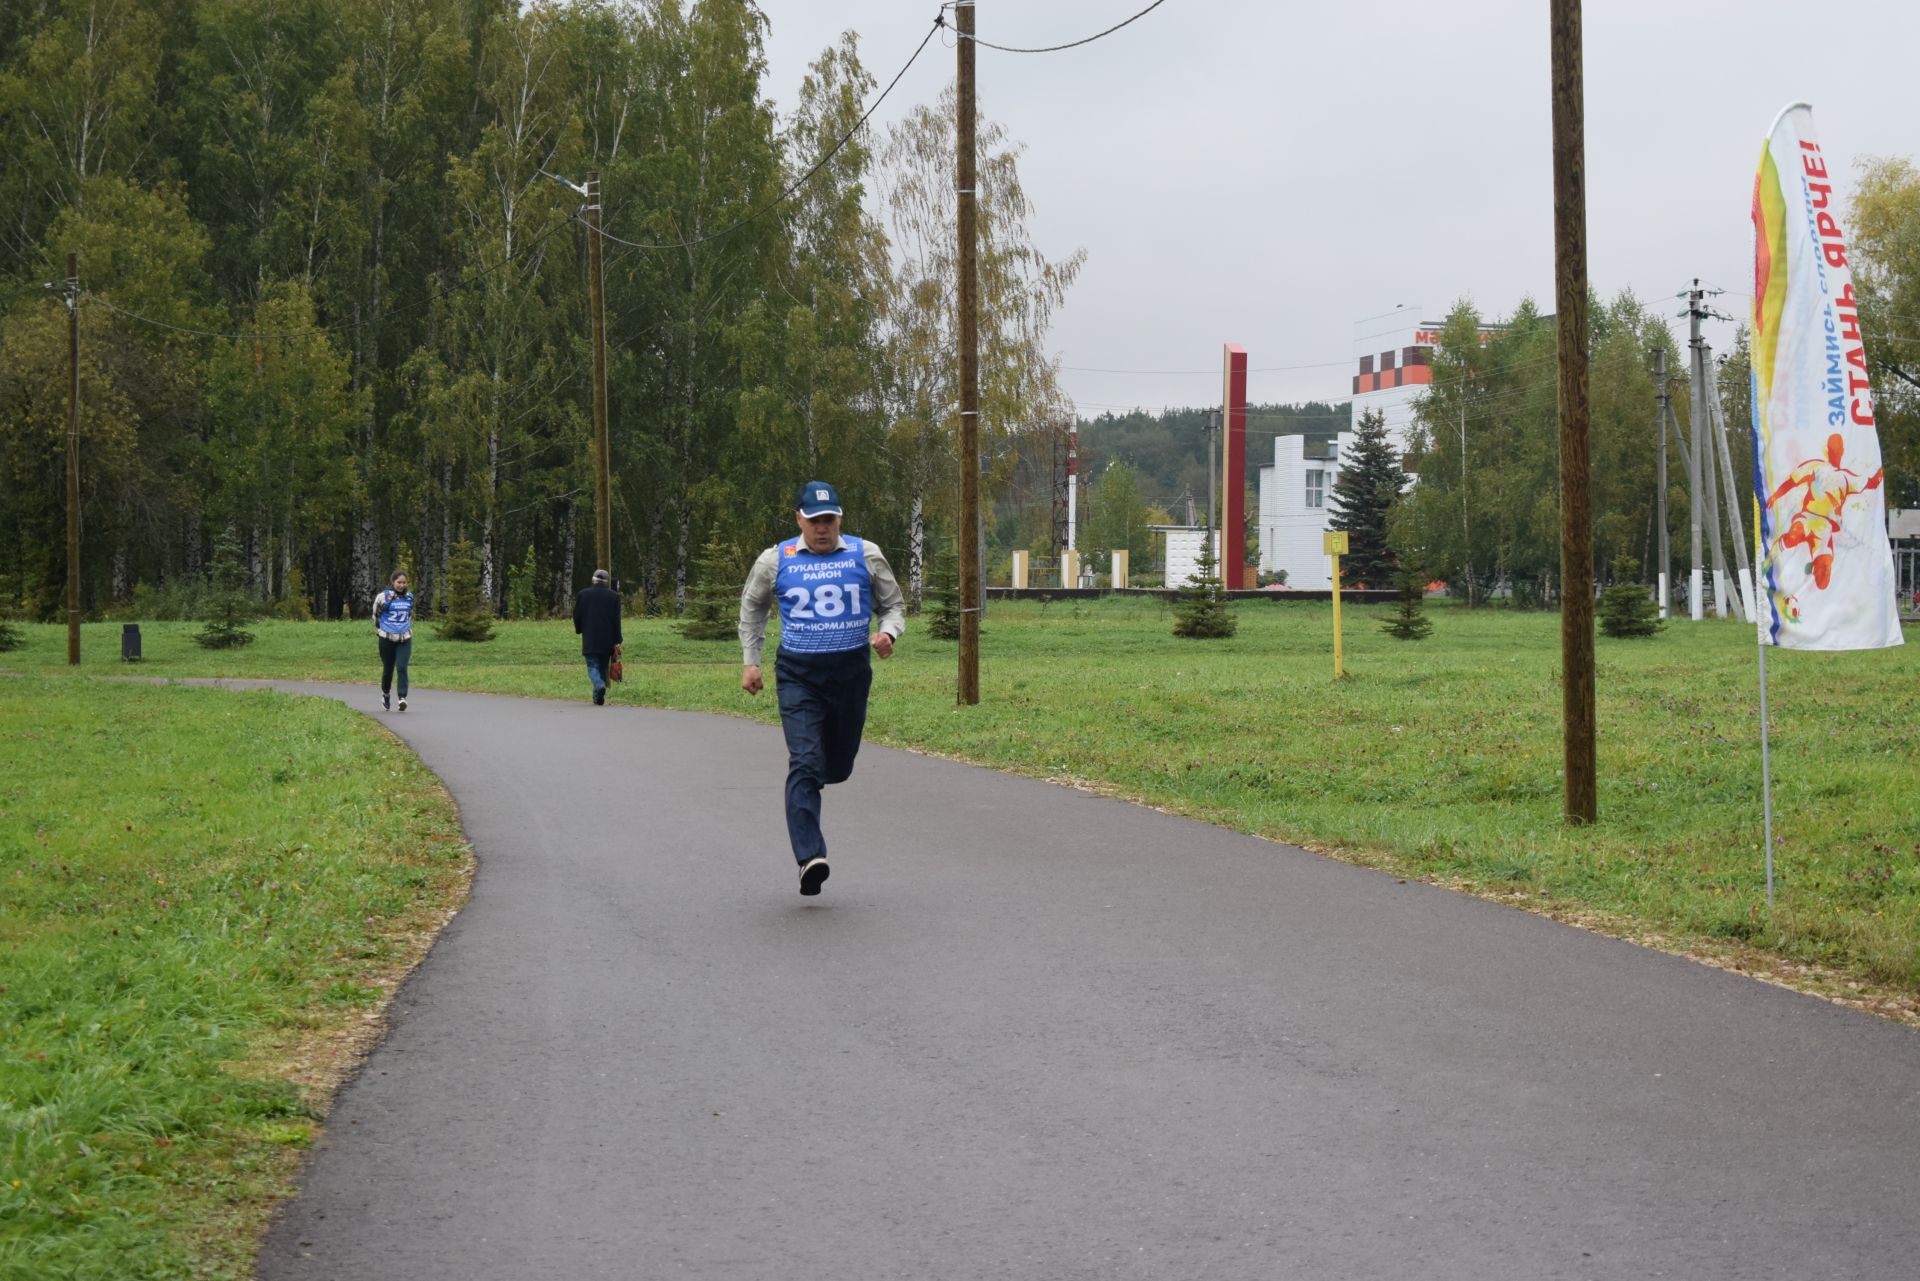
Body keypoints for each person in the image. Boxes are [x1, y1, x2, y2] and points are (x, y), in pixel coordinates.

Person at [739, 481, 906, 896]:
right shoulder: (776, 559)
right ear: (799, 518)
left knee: (838, 765)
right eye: (813, 521)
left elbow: (893, 605)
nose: (822, 529)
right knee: (805, 762)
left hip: (850, 673)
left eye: (829, 520)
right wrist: (751, 661)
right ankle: (809, 857)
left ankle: (821, 778)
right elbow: (752, 606)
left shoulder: (864, 554)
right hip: (798, 675)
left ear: (840, 519)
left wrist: (888, 633)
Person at [573, 568, 623, 706]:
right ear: (607, 581)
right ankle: (598, 697)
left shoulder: (583, 594)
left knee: (592, 665)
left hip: (590, 636)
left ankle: (599, 685)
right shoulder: (614, 597)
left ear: (593, 580)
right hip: (607, 637)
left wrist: (579, 629)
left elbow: (577, 615)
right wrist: (618, 640)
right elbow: (616, 620)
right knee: (603, 666)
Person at [371, 570, 414, 712]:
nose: (401, 585)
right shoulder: (383, 597)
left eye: (404, 582)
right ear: (393, 582)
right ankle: (386, 693)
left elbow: (409, 614)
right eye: (399, 582)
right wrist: (380, 631)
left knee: (402, 667)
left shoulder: (409, 597)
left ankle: (402, 697)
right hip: (386, 638)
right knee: (388, 668)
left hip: (404, 638)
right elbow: (376, 615)